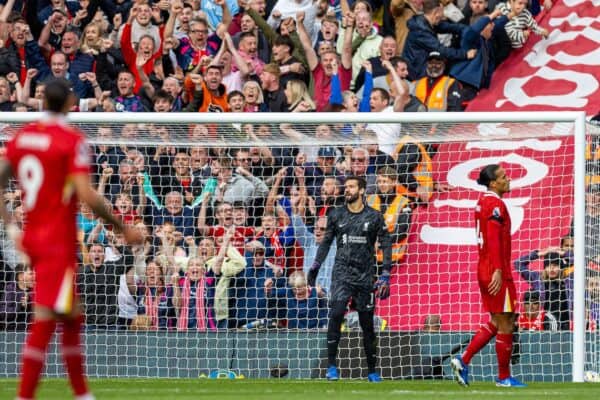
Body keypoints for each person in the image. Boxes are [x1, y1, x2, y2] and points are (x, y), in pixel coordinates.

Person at [0, 78, 142, 400]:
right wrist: (121, 228)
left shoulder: (23, 137)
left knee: (71, 314)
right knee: (46, 317)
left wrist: (12, 228)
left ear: (41, 102)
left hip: (35, 239)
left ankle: (82, 394)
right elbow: (86, 195)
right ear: (68, 103)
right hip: (57, 240)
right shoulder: (70, 140)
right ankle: (25, 396)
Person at [307, 175, 392, 382]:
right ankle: (331, 367)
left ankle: (372, 370)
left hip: (365, 275)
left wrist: (386, 273)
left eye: (351, 187)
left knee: (367, 323)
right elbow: (326, 242)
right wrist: (315, 267)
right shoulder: (336, 214)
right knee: (336, 314)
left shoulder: (374, 216)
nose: (347, 190)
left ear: (362, 191)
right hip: (342, 273)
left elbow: (386, 243)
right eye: (346, 187)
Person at [450, 164, 526, 387]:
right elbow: (492, 237)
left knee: (502, 319)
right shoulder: (494, 203)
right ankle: (503, 377)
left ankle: (463, 360)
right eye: (503, 176)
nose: (508, 179)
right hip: (495, 270)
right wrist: (498, 270)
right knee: (506, 324)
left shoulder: (483, 202)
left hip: (489, 267)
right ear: (493, 183)